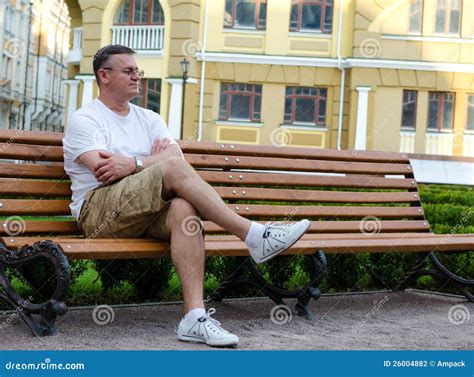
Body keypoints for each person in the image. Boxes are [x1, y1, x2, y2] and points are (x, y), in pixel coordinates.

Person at [63, 44, 310, 348]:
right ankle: (254, 235)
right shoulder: (85, 120)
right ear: (104, 75)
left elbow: (173, 155)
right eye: (128, 71)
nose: (137, 77)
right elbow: (104, 171)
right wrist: (154, 162)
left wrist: (134, 163)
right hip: (100, 210)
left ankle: (194, 317)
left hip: (145, 210)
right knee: (174, 170)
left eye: (137, 71)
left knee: (182, 209)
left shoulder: (149, 118)